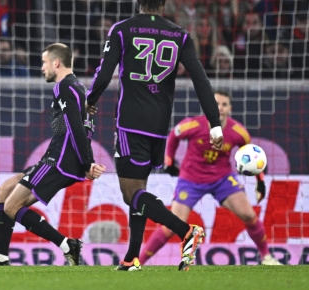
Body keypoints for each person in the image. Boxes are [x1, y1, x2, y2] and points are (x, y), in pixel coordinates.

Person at [85, 0, 224, 271]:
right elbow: (200, 79)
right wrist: (215, 123)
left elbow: (104, 71)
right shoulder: (179, 35)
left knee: (130, 194)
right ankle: (131, 258)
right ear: (164, 5)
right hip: (160, 124)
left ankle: (186, 232)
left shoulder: (122, 29)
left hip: (130, 121)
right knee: (140, 190)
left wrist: (90, 98)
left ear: (138, 2)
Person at [0, 43, 106, 266]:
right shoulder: (79, 89)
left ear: (57, 63)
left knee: (11, 206)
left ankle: (67, 245)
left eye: (44, 63)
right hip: (62, 158)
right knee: (4, 190)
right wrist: (88, 160)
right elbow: (86, 129)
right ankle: (0, 256)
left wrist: (87, 162)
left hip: (59, 159)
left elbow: (76, 128)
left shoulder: (64, 87)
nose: (42, 68)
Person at [140, 91, 282, 266]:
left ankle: (266, 257)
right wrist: (168, 161)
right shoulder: (191, 125)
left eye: (224, 104)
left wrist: (260, 181)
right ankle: (139, 261)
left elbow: (252, 157)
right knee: (171, 225)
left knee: (248, 215)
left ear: (230, 108)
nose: (219, 108)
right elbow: (173, 137)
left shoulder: (239, 132)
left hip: (222, 179)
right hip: (191, 179)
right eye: (215, 104)